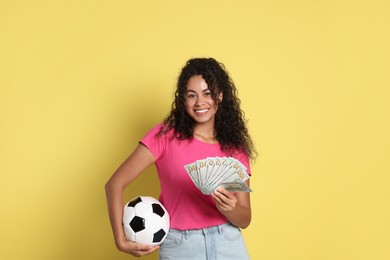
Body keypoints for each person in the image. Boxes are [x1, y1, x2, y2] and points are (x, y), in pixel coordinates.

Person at [105, 57, 256, 259]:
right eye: (191, 95)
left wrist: (229, 209)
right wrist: (120, 240)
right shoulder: (165, 136)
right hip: (180, 247)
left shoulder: (234, 147)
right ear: (183, 99)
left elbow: (245, 218)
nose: (200, 102)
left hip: (228, 243)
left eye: (207, 94)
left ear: (219, 96)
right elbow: (114, 184)